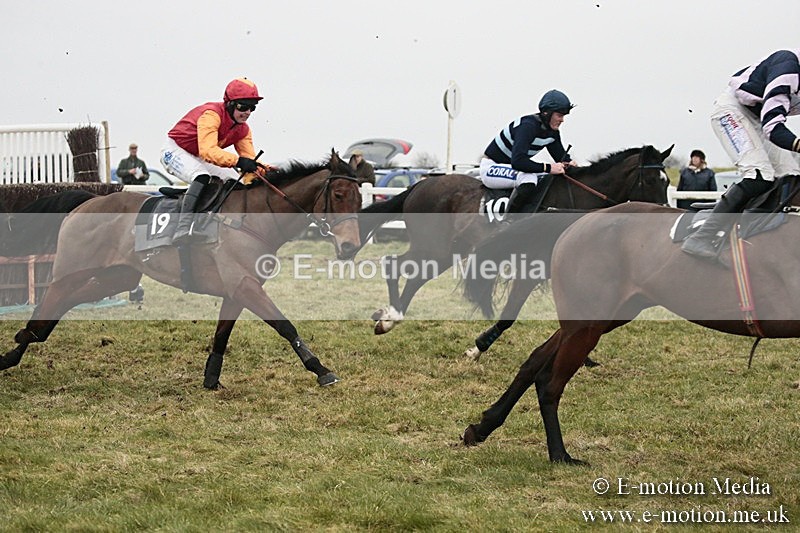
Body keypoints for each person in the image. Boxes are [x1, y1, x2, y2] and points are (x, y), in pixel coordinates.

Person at [682, 49, 800, 258]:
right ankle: (702, 237)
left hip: (760, 119)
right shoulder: (788, 66)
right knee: (758, 174)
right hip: (733, 112)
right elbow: (773, 125)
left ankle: (752, 229)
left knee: (791, 176)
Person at [161, 77, 272, 244]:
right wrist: (239, 162)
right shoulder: (212, 115)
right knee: (202, 177)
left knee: (235, 182)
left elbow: (248, 162)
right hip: (176, 150)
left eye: (252, 108)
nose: (248, 112)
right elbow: (208, 151)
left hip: (199, 155)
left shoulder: (243, 130)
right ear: (229, 104)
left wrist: (264, 171)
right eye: (243, 106)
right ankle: (183, 228)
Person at [479, 89, 578, 217]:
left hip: (512, 168)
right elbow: (518, 162)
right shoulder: (528, 126)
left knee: (551, 176)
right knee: (528, 178)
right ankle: (511, 219)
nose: (562, 120)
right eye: (559, 115)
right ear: (547, 113)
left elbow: (560, 157)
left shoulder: (552, 132)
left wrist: (569, 163)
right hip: (491, 168)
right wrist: (549, 167)